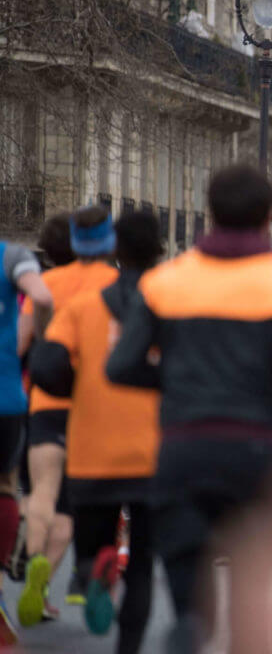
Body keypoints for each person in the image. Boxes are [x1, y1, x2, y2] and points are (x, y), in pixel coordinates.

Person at [106, 164, 272, 654]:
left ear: (209, 212)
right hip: (250, 453)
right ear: (269, 216)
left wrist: (172, 382)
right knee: (250, 604)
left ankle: (187, 631)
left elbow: (121, 366)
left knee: (191, 600)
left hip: (179, 454)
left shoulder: (166, 282)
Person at [29, 210, 162, 653]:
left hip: (88, 444)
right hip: (152, 452)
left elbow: (44, 363)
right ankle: (128, 645)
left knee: (77, 530)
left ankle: (90, 568)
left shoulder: (80, 303)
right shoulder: (168, 304)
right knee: (141, 565)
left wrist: (77, 386)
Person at [20, 207, 118, 627]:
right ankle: (45, 588)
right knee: (72, 511)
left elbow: (25, 342)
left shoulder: (48, 283)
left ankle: (34, 563)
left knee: (44, 491)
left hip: (44, 403)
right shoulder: (117, 286)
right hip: (93, 410)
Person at [0, 236, 53, 644]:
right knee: (5, 488)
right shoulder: (11, 256)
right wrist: (37, 338)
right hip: (6, 398)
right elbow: (41, 294)